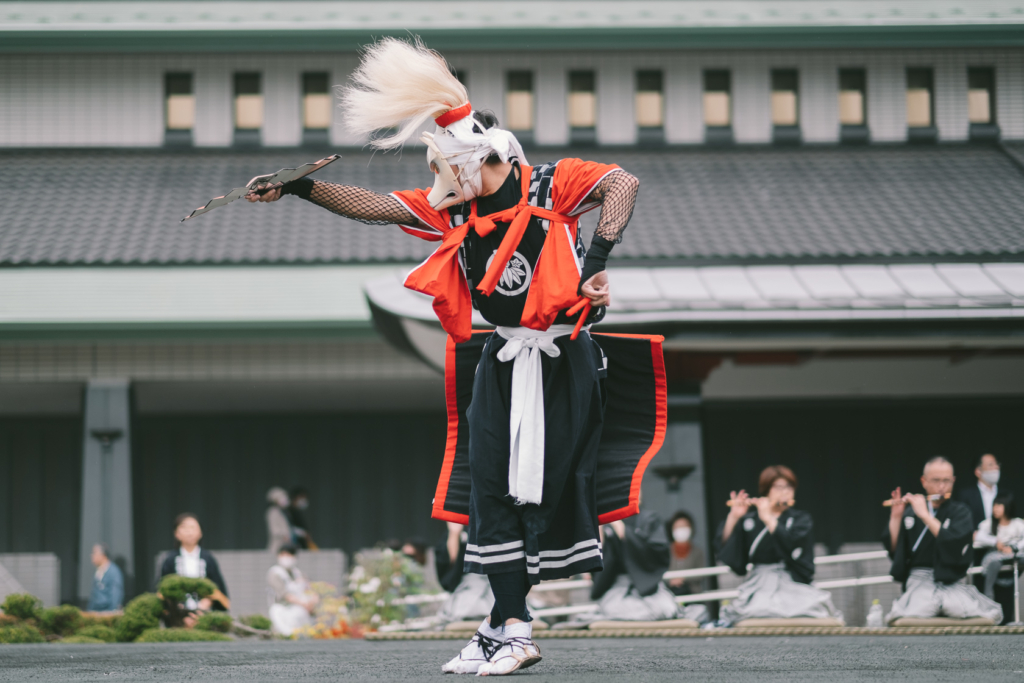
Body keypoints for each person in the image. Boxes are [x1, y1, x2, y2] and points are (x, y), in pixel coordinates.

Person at [245, 38, 658, 677]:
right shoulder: (454, 211)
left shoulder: (553, 184)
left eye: (444, 166)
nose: (437, 181)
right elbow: (379, 208)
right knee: (487, 489)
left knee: (538, 495)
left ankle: (505, 625)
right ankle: (507, 626)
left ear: (477, 157)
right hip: (499, 362)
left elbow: (623, 185)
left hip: (562, 360)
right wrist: (302, 189)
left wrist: (595, 268)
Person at [714, 465, 842, 626]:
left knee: (814, 608)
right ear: (766, 490)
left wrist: (768, 519)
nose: (785, 492)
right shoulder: (750, 520)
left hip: (792, 581)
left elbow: (792, 547)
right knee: (758, 610)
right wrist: (733, 517)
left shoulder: (801, 519)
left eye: (789, 487)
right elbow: (728, 551)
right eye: (779, 487)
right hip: (759, 583)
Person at [884, 456, 1002, 624]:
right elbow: (896, 550)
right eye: (936, 480)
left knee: (962, 609)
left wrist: (925, 515)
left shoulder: (961, 512)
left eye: (947, 481)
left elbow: (954, 544)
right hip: (919, 583)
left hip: (950, 583)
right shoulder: (911, 513)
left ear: (953, 481)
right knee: (920, 609)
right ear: (923, 481)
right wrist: (896, 517)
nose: (941, 486)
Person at [586, 505, 688, 622]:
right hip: (618, 586)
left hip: (650, 586)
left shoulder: (650, 518)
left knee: (666, 608)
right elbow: (603, 557)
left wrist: (625, 533)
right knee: (612, 609)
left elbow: (658, 552)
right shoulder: (608, 523)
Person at [159, 513, 230, 621]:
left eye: (193, 527)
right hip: (177, 619)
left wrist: (203, 607)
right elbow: (163, 591)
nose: (189, 532)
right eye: (184, 527)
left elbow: (218, 590)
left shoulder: (208, 559)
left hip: (204, 616)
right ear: (176, 533)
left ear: (200, 533)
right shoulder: (170, 560)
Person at [434, 522, 495, 624]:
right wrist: (454, 533)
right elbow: (451, 560)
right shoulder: (461, 529)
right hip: (469, 583)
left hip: (495, 582)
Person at [975, 495, 1024, 600]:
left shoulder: (1017, 523)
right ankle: (988, 592)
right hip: (997, 556)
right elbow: (977, 535)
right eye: (994, 505)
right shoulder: (989, 523)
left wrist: (1014, 547)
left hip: (1014, 555)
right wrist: (995, 542)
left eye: (999, 505)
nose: (995, 509)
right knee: (994, 562)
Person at [267, 545, 318, 636]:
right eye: (283, 555)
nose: (286, 558)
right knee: (286, 633)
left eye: (289, 555)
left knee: (303, 633)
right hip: (282, 610)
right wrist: (304, 604)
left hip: (300, 610)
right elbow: (285, 595)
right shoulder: (275, 573)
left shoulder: (298, 573)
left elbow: (311, 589)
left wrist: (313, 601)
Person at [958, 453, 1011, 532]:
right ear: (978, 471)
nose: (996, 467)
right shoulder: (966, 495)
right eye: (990, 465)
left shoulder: (1006, 494)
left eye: (997, 464)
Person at [666, 511, 707, 596]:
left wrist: (683, 579)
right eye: (678, 527)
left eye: (684, 526)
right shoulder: (666, 551)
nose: (681, 530)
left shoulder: (697, 552)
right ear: (672, 530)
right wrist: (671, 581)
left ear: (691, 528)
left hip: (693, 595)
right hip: (670, 595)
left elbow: (701, 574)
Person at [85, 543, 123, 612]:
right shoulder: (98, 571)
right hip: (96, 612)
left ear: (103, 555)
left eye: (94, 553)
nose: (92, 555)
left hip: (106, 613)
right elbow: (94, 595)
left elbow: (115, 594)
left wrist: (110, 614)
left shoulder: (113, 571)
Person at [266, 487, 293, 554]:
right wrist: (284, 535)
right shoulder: (272, 512)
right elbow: (274, 529)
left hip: (284, 544)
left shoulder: (280, 512)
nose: (285, 499)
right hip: (278, 544)